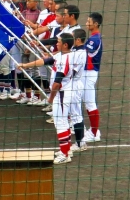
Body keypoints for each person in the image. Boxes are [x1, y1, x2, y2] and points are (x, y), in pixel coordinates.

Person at [18, 33, 76, 164]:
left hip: (62, 94)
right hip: (64, 93)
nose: (56, 43)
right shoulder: (62, 55)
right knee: (63, 122)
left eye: (59, 42)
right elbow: (45, 61)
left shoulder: (64, 59)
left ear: (65, 45)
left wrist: (51, 98)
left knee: (60, 123)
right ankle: (67, 150)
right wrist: (25, 65)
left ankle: (65, 154)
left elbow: (57, 83)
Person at [81, 12, 103, 143]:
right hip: (88, 73)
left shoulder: (94, 40)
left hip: (89, 74)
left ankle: (94, 133)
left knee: (90, 103)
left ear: (95, 24)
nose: (86, 23)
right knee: (88, 102)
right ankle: (94, 131)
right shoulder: (93, 38)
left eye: (89, 21)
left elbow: (82, 53)